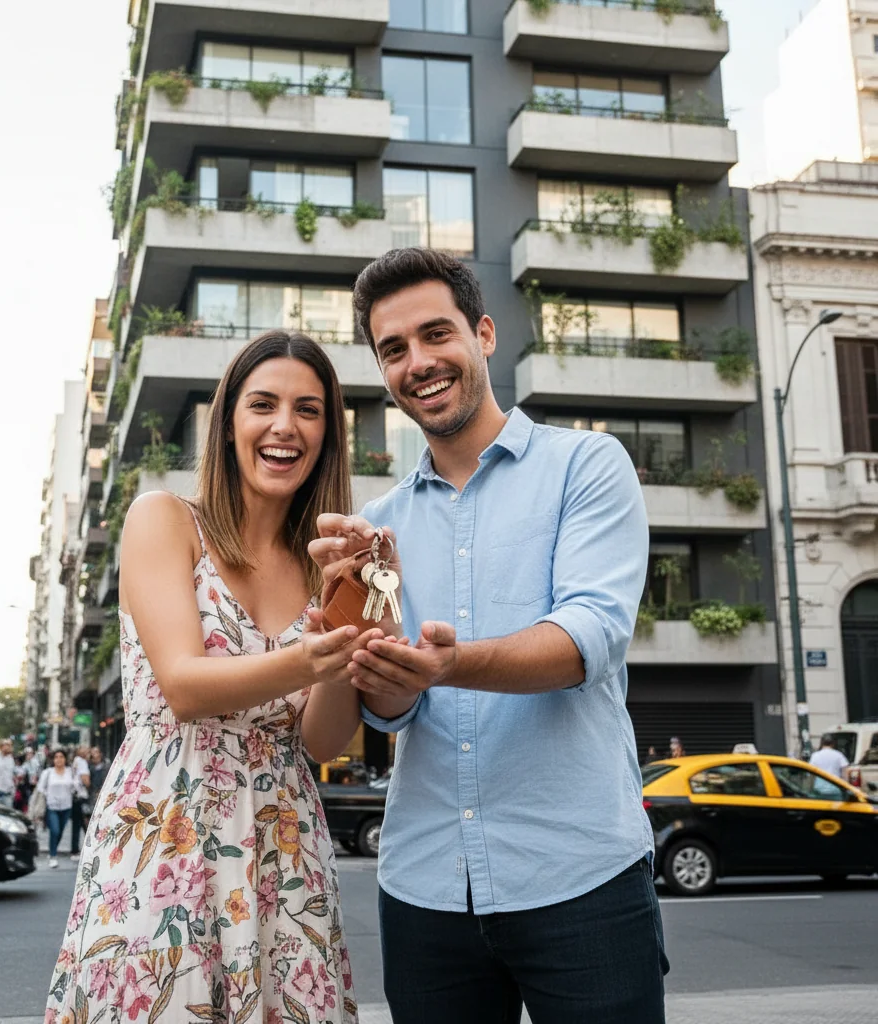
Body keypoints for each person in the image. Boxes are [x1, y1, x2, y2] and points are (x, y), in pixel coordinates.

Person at [308, 249, 666, 1023]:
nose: (419, 363)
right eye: (393, 349)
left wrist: (447, 664)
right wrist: (375, 669)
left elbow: (587, 640)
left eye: (436, 334)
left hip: (582, 876)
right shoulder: (377, 529)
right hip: (426, 886)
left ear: (484, 333)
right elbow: (392, 712)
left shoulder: (587, 466)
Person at [45, 331, 374, 1023]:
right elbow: (184, 685)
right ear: (228, 423)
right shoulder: (164, 520)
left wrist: (350, 628)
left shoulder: (322, 561)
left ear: (326, 435)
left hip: (285, 845)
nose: (285, 426)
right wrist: (309, 656)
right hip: (167, 829)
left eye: (308, 410)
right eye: (264, 404)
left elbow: (322, 740)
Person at [37, 749, 85, 868]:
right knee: (55, 830)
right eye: (56, 757)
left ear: (65, 759)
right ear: (53, 760)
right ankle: (53, 856)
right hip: (52, 805)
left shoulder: (70, 772)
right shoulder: (48, 772)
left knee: (60, 832)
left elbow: (77, 788)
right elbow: (40, 788)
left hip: (66, 806)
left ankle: (53, 849)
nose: (59, 759)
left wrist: (75, 784)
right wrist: (48, 794)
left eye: (61, 757)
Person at [69, 746, 91, 862]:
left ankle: (77, 848)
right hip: (81, 796)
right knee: (84, 823)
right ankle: (78, 849)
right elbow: (85, 780)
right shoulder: (82, 762)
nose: (87, 751)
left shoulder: (76, 761)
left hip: (76, 796)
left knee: (79, 824)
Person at [82, 746, 109, 829]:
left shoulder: (106, 766)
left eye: (96, 752)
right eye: (92, 752)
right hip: (89, 796)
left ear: (100, 754)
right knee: (87, 818)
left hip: (101, 796)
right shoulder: (87, 766)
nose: (94, 754)